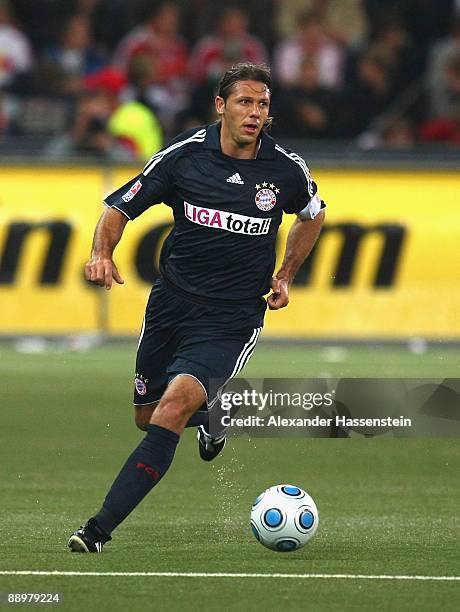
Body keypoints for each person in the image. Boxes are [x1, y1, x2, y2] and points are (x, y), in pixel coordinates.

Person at [68, 62, 326, 553]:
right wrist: (102, 253)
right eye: (246, 102)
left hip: (231, 317)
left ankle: (97, 530)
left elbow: (313, 215)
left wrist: (286, 274)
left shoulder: (285, 169)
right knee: (147, 418)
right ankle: (212, 415)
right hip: (171, 305)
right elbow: (119, 206)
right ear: (221, 105)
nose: (255, 114)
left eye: (263, 105)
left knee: (170, 407)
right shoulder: (185, 157)